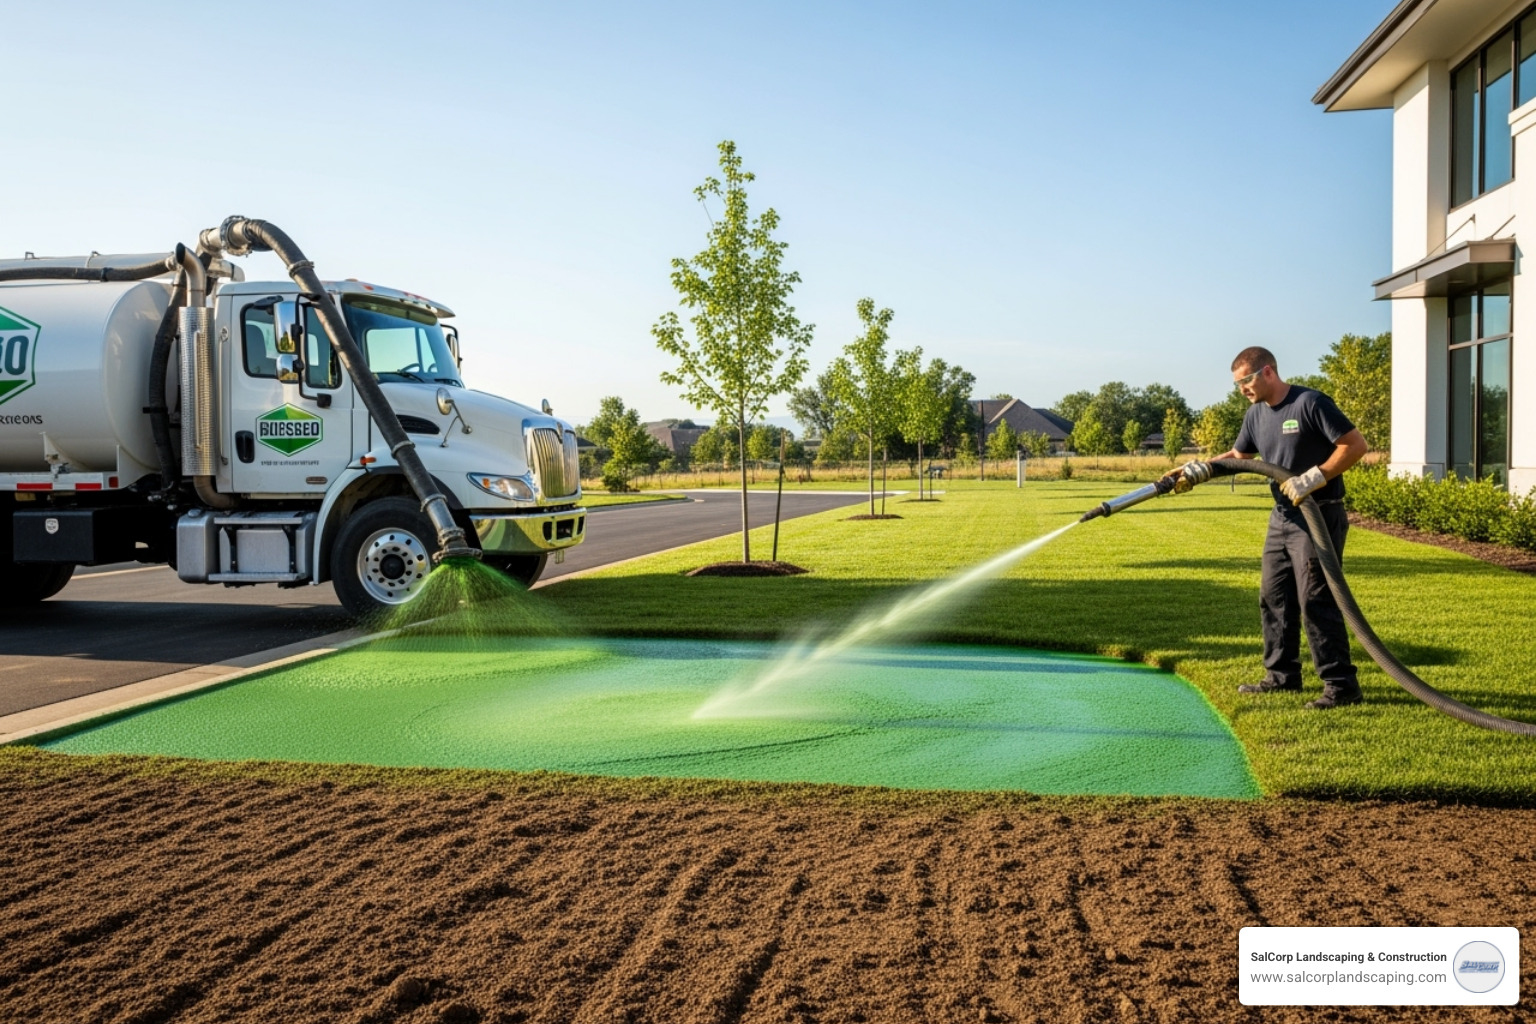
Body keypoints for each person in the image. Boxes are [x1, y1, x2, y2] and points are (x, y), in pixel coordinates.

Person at [1207, 347, 1369, 710]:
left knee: (1316, 598)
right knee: (1273, 595)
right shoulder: (1254, 415)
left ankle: (1341, 686)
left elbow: (1355, 445)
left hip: (1318, 515)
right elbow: (1239, 458)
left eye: (1246, 380)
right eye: (1236, 384)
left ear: (1268, 372)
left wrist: (1316, 476)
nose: (1242, 389)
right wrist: (1200, 468)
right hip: (1281, 517)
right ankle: (1281, 677)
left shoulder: (1310, 403)